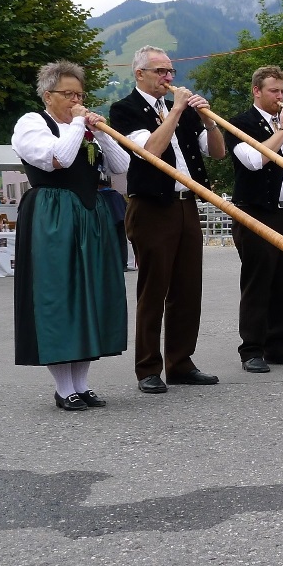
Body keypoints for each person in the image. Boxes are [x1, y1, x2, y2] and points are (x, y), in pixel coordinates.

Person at [12, 60, 130, 411]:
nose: (76, 100)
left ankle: (82, 384)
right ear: (48, 96)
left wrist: (103, 134)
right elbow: (57, 159)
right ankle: (64, 388)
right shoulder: (32, 123)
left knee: (91, 295)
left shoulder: (81, 127)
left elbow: (122, 167)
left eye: (80, 94)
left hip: (90, 213)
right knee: (60, 296)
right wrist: (80, 122)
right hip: (53, 213)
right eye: (69, 94)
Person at [110, 45, 225, 394]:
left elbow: (217, 151)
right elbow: (150, 150)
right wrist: (175, 110)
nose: (169, 78)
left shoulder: (185, 112)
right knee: (154, 287)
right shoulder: (125, 109)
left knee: (188, 288)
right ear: (140, 74)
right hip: (151, 206)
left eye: (171, 71)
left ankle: (181, 362)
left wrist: (207, 118)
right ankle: (147, 366)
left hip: (187, 203)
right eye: (161, 71)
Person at [226, 66, 283, 374]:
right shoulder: (241, 123)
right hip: (255, 211)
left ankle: (278, 343)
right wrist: (282, 130)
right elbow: (254, 161)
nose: (280, 97)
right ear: (256, 91)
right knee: (257, 280)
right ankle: (251, 348)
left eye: (282, 91)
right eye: (273, 91)